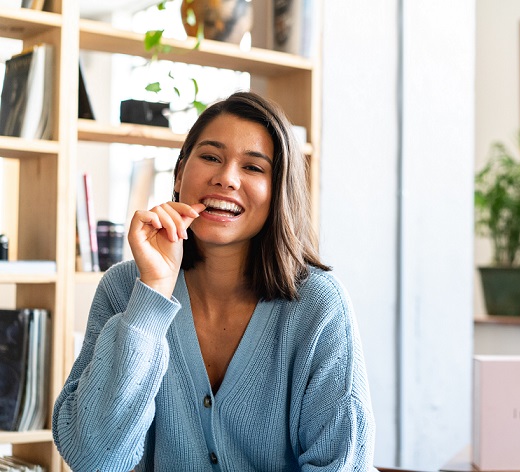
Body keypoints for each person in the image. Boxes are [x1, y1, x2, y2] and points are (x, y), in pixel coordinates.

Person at [53, 91, 376, 471]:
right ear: (178, 174)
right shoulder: (125, 289)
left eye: (254, 168)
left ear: (278, 193)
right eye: (210, 157)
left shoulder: (319, 305)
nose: (225, 178)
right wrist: (152, 295)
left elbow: (342, 462)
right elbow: (93, 459)